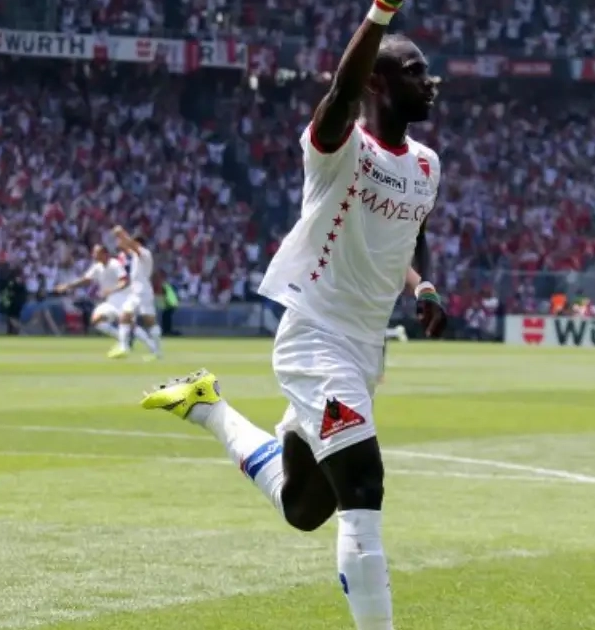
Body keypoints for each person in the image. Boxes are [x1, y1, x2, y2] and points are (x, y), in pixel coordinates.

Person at [139, 9, 445, 630]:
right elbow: (340, 92)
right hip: (316, 341)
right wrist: (381, 15)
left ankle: (207, 406)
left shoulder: (426, 164)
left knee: (304, 507)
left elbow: (411, 233)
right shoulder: (339, 148)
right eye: (415, 71)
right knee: (364, 485)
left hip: (365, 354)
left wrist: (425, 285)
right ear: (377, 82)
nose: (430, 81)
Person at [55, 245, 130, 346]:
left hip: (121, 298)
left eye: (96, 253)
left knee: (128, 323)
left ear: (104, 254)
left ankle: (132, 341)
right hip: (110, 300)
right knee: (96, 321)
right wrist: (68, 286)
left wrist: (112, 290)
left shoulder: (114, 264)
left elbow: (125, 281)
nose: (93, 255)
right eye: (93, 252)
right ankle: (124, 339)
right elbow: (86, 280)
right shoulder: (97, 267)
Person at [111, 227, 162, 360]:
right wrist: (120, 239)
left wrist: (121, 233)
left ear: (138, 243)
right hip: (136, 292)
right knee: (124, 316)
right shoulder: (136, 255)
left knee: (150, 322)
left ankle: (157, 352)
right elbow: (126, 247)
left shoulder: (144, 253)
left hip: (143, 292)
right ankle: (123, 347)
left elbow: (130, 245)